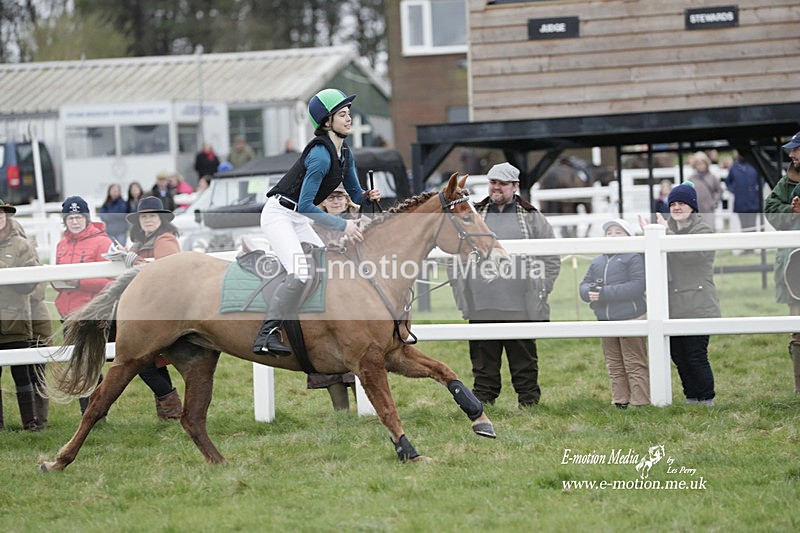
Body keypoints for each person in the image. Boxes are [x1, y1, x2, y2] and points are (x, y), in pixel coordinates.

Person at [253, 88, 380, 355]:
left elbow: (356, 195)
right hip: (279, 215)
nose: (349, 119)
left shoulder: (346, 154)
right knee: (300, 272)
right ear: (326, 122)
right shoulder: (320, 156)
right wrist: (343, 225)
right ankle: (266, 333)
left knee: (327, 264)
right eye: (342, 114)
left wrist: (369, 196)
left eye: (349, 114)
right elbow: (309, 206)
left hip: (297, 217)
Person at [450, 162, 561, 408]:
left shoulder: (532, 217)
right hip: (481, 301)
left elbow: (552, 258)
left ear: (515, 186)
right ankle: (483, 403)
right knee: (482, 359)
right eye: (492, 182)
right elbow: (455, 253)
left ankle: (529, 402)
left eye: (502, 183)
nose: (496, 187)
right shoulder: (473, 213)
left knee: (523, 358)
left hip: (519, 302)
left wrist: (541, 289)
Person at [639, 182, 720, 406]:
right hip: (672, 304)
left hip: (698, 303)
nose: (676, 207)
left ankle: (707, 400)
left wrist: (665, 232)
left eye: (681, 203)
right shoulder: (667, 229)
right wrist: (648, 235)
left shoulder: (702, 229)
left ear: (692, 206)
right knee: (679, 356)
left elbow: (689, 256)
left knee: (695, 355)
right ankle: (691, 398)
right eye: (673, 203)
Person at [117, 196, 183, 419]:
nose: (148, 220)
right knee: (152, 361)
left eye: (152, 216)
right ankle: (169, 412)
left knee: (143, 361)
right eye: (144, 216)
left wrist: (134, 261)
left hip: (162, 309)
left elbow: (168, 271)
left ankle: (173, 409)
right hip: (148, 308)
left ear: (161, 219)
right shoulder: (141, 241)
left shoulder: (165, 239)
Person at [53, 196, 115, 416]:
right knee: (80, 363)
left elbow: (111, 280)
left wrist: (79, 282)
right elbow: (58, 275)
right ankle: (89, 413)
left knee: (90, 362)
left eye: (79, 217)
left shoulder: (102, 242)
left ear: (86, 218)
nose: (75, 221)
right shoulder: (61, 244)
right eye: (70, 217)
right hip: (67, 312)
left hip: (92, 311)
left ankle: (96, 411)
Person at [579, 218, 649, 408]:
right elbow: (584, 285)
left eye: (618, 232)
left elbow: (637, 286)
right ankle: (620, 400)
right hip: (605, 319)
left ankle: (641, 400)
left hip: (631, 316)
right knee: (614, 362)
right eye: (609, 232)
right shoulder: (597, 261)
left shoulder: (633, 257)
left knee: (634, 361)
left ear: (628, 236)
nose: (613, 236)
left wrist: (603, 293)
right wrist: (588, 293)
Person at [307, 184, 358, 410]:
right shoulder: (312, 229)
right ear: (323, 204)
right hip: (325, 300)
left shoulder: (358, 223)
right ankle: (342, 413)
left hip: (353, 299)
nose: (336, 201)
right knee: (329, 356)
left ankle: (368, 408)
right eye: (331, 198)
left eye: (340, 197)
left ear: (347, 201)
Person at [0, 198, 42, 431]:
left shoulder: (21, 245)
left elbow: (30, 283)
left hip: (14, 320)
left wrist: (5, 271)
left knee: (22, 373)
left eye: (2, 213)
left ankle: (31, 423)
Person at [764, 131, 800, 394]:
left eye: (796, 149)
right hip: (794, 270)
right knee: (798, 331)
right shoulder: (785, 183)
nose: (791, 154)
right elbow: (771, 211)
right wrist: (791, 210)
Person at [725, 153, 761, 234]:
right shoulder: (734, 167)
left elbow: (762, 178)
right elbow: (728, 181)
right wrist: (734, 190)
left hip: (753, 202)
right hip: (740, 202)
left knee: (753, 225)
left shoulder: (754, 165)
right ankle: (746, 246)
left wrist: (758, 187)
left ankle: (753, 245)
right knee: (744, 227)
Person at [687, 151, 722, 230]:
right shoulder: (691, 179)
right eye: (698, 163)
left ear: (706, 163)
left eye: (702, 163)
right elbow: (687, 193)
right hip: (696, 211)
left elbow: (719, 191)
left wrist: (713, 202)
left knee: (709, 229)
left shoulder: (712, 177)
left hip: (708, 210)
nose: (700, 166)